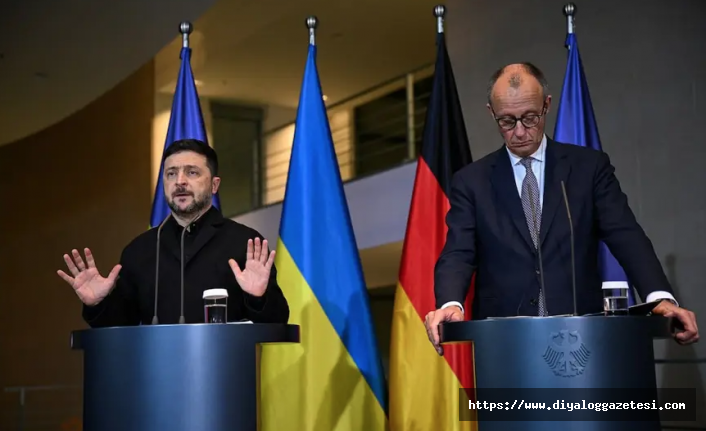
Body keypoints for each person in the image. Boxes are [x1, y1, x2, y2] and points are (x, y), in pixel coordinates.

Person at [425, 62, 698, 353]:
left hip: (583, 336)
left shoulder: (588, 168)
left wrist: (659, 297)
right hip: (505, 342)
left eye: (530, 118)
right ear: (491, 112)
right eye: (507, 121)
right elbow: (459, 252)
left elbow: (626, 235)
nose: (520, 132)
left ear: (547, 104)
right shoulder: (471, 181)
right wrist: (450, 303)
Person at [57, 138, 289, 326]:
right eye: (171, 174)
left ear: (214, 185)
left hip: (226, 369)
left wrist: (258, 298)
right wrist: (97, 304)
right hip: (156, 370)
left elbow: (277, 321)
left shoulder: (245, 243)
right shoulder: (139, 250)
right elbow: (119, 326)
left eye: (192, 172)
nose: (180, 181)